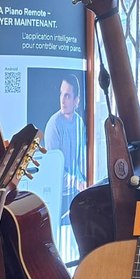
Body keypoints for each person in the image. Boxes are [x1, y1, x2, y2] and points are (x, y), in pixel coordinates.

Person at [43, 72, 88, 221]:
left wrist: (84, 182)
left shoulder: (79, 123)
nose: (62, 100)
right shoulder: (53, 125)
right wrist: (77, 183)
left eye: (67, 95)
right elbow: (54, 169)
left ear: (76, 101)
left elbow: (80, 160)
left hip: (75, 191)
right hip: (58, 194)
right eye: (61, 94)